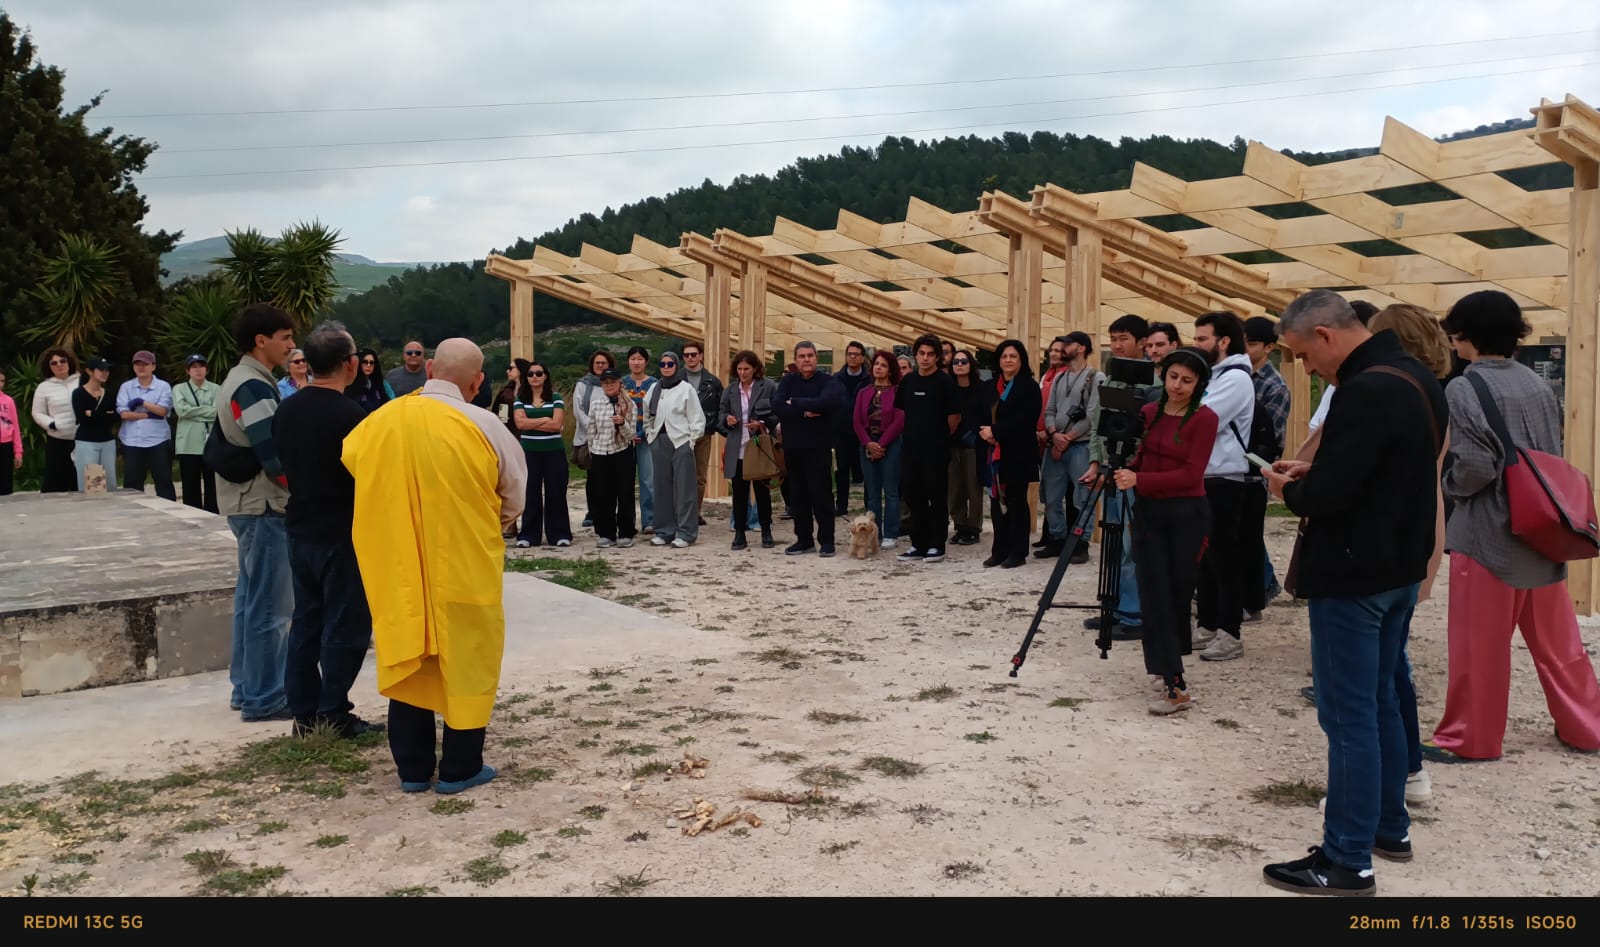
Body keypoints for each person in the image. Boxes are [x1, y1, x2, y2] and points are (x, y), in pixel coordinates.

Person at [1259, 289, 1447, 897]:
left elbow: (1331, 497)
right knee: (1385, 701)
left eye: (1303, 357)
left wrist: (1287, 489)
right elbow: (1384, 470)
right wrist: (1320, 470)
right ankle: (1389, 829)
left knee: (1349, 717)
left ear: (1325, 336)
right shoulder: (1417, 377)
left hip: (1354, 573)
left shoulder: (1364, 391)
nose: (1307, 371)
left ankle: (1345, 859)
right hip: (1397, 570)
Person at [1423, 290, 1600, 763]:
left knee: (1479, 648)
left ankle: (1470, 739)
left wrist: (1450, 485)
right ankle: (1587, 728)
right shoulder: (1535, 383)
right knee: (1560, 645)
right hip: (1544, 529)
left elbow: (1477, 465)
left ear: (1465, 333)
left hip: (1488, 536)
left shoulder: (1463, 387)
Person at [343, 338, 526, 795]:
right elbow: (514, 496)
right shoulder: (483, 423)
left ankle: (412, 768)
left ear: (427, 372)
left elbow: (352, 462)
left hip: (397, 561)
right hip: (463, 560)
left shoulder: (379, 422)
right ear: (477, 381)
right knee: (468, 656)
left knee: (408, 648)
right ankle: (461, 767)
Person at [273, 321, 384, 739]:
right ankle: (333, 710)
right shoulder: (351, 416)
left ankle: (304, 713)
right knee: (346, 623)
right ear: (350, 364)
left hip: (299, 526)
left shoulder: (287, 408)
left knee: (307, 621)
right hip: (341, 530)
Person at [1115, 348, 1218, 714]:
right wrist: (1120, 466)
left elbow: (1192, 474)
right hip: (1149, 510)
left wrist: (1138, 478)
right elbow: (1140, 457)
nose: (1177, 386)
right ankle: (1163, 667)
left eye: (1187, 381)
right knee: (1151, 589)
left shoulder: (1205, 419)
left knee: (1173, 592)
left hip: (1186, 514)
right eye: (1173, 377)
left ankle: (1176, 682)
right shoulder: (1149, 412)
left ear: (1199, 384)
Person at [217, 303, 299, 723]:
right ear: (260, 341)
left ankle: (246, 687)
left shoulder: (246, 379)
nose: (291, 345)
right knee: (272, 607)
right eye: (285, 337)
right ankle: (266, 697)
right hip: (264, 505)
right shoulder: (252, 386)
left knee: (251, 601)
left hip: (248, 504)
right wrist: (301, 494)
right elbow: (274, 455)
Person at [1080, 315, 1155, 641]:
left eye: (1123, 337)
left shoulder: (1157, 384)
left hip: (1135, 473)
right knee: (1110, 543)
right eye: (1113, 338)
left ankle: (1133, 612)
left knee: (1129, 545)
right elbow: (1098, 424)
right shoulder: (1110, 382)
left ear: (1141, 342)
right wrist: (1097, 462)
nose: (1117, 345)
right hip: (1110, 469)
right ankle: (1111, 606)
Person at [1191, 311, 1255, 662]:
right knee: (1204, 557)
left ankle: (1230, 632)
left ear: (1223, 341)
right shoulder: (1216, 376)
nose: (1197, 345)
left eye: (1202, 339)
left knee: (1224, 558)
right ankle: (1208, 623)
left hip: (1224, 477)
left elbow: (1203, 421)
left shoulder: (1236, 378)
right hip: (1205, 475)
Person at [774, 341, 847, 557]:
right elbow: (778, 407)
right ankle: (803, 539)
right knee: (798, 495)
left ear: (816, 358)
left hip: (818, 446)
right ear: (796, 360)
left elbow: (827, 403)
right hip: (793, 447)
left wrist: (794, 402)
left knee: (821, 494)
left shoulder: (828, 381)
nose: (806, 360)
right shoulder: (787, 381)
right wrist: (805, 412)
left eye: (810, 356)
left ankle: (827, 541)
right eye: (802, 356)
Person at [1242, 317, 1291, 620]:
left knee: (1248, 535)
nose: (1244, 349)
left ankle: (1254, 598)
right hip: (1234, 468)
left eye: (1251, 344)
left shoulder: (1274, 387)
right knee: (1243, 536)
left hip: (1256, 469)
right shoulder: (1236, 376)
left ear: (1269, 347)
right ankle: (1262, 584)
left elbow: (1267, 435)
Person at [896, 334, 960, 563]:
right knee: (914, 495)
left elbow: (954, 418)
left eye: (930, 354)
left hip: (936, 449)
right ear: (915, 355)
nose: (925, 358)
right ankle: (918, 543)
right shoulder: (909, 381)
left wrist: (938, 438)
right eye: (921, 353)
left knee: (936, 496)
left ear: (937, 357)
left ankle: (937, 544)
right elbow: (902, 411)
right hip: (911, 449)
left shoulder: (944, 382)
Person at [979, 339, 1042, 568]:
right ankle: (999, 550)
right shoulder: (989, 386)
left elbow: (1027, 420)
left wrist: (995, 431)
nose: (1008, 360)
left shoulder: (1029, 386)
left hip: (1018, 454)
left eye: (1013, 356)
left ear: (1021, 360)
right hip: (993, 452)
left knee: (1016, 503)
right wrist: (986, 433)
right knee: (996, 503)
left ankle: (1018, 552)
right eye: (1004, 356)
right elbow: (979, 414)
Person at [1038, 331, 1101, 562]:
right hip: (1057, 444)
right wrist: (1055, 435)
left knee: (1082, 497)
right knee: (1052, 497)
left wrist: (1067, 438)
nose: (1063, 348)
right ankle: (1057, 539)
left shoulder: (1096, 377)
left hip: (1080, 446)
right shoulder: (1059, 378)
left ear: (1082, 347)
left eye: (1068, 344)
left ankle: (1080, 543)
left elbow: (1093, 416)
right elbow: (1050, 410)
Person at [717, 350, 779, 550]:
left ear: (755, 369)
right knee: (739, 493)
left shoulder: (768, 386)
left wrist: (762, 423)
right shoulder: (730, 390)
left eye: (747, 369)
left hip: (759, 445)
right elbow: (721, 414)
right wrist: (727, 420)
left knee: (762, 491)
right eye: (740, 369)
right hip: (737, 445)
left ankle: (766, 531)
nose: (743, 373)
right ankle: (740, 533)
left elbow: (777, 413)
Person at [645, 352, 705, 548]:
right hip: (659, 440)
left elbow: (697, 418)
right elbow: (647, 414)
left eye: (670, 363)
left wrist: (691, 441)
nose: (666, 366)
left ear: (676, 365)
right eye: (662, 363)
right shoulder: (654, 388)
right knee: (661, 487)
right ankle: (664, 530)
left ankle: (686, 532)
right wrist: (650, 435)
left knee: (685, 488)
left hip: (681, 441)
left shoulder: (686, 389)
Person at [514, 360, 572, 548]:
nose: (535, 377)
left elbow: (556, 425)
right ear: (526, 378)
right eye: (530, 374)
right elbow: (520, 424)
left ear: (545, 375)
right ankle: (529, 535)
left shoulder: (556, 397)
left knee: (556, 492)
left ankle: (559, 534)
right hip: (529, 452)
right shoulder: (520, 399)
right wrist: (544, 419)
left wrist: (533, 421)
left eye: (539, 373)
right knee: (531, 492)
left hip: (553, 451)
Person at [853, 350, 905, 549]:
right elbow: (857, 421)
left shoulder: (898, 392)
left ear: (890, 369)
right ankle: (874, 532)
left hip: (890, 445)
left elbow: (899, 420)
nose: (878, 368)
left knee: (890, 491)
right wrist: (869, 443)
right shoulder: (863, 392)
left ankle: (891, 533)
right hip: (867, 444)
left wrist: (881, 444)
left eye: (883, 365)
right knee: (872, 493)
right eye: (876, 364)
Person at [585, 368, 637, 548]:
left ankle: (626, 532)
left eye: (612, 382)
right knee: (602, 494)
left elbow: (631, 435)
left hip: (622, 451)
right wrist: (593, 450)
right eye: (605, 383)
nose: (609, 385)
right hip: (600, 453)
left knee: (624, 494)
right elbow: (591, 429)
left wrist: (622, 423)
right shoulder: (596, 404)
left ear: (619, 383)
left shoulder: (629, 405)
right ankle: (605, 533)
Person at [116, 350, 176, 501]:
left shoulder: (163, 386)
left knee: (164, 481)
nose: (141, 367)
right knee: (132, 484)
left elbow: (162, 411)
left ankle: (170, 514)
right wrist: (149, 414)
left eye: (145, 364)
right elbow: (124, 414)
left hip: (158, 440)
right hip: (132, 441)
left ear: (153, 366)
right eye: (137, 364)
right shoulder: (126, 387)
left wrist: (141, 402)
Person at [680, 342, 723, 526]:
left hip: (704, 434)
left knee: (699, 475)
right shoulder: (675, 378)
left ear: (701, 356)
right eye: (686, 355)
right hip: (680, 434)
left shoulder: (713, 382)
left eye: (693, 354)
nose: (690, 358)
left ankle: (695, 512)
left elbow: (721, 406)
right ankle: (680, 511)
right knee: (680, 475)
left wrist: (715, 426)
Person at [571, 350, 615, 530]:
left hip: (610, 437)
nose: (600, 366)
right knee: (593, 477)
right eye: (597, 363)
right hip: (588, 437)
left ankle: (608, 511)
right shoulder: (583, 384)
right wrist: (592, 427)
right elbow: (578, 409)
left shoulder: (615, 383)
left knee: (609, 477)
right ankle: (592, 512)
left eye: (603, 363)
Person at [173, 354, 220, 513]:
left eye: (201, 366)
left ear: (206, 369)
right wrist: (206, 410)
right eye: (194, 366)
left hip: (211, 443)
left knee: (212, 484)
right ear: (188, 370)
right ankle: (192, 515)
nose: (198, 370)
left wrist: (194, 411)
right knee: (190, 484)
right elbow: (182, 411)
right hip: (188, 443)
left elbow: (217, 412)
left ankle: (213, 513)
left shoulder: (216, 388)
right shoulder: (179, 389)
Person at [948, 349, 985, 545]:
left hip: (974, 444)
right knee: (954, 489)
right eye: (956, 361)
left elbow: (986, 415)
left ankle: (973, 528)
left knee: (973, 488)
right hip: (952, 445)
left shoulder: (980, 388)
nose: (960, 364)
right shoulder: (948, 388)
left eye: (963, 361)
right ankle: (959, 525)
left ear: (971, 364)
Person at [30, 347, 80, 492]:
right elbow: (37, 413)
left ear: (69, 362)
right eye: (54, 363)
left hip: (82, 439)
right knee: (55, 480)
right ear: (49, 367)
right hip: (57, 440)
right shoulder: (43, 387)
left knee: (81, 480)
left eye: (62, 361)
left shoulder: (83, 381)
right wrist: (51, 424)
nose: (59, 365)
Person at [832, 341, 870, 516]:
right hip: (841, 430)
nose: (853, 357)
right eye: (850, 354)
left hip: (865, 431)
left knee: (866, 469)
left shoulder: (869, 379)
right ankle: (841, 505)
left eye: (856, 354)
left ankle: (869, 504)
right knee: (842, 470)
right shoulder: (837, 379)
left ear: (862, 357)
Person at [622, 346, 657, 533]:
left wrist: (642, 433)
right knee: (625, 482)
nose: (636, 362)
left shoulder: (654, 384)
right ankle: (627, 522)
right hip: (624, 439)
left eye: (640, 359)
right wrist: (627, 432)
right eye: (633, 358)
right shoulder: (621, 383)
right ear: (628, 361)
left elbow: (656, 412)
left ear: (646, 362)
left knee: (647, 481)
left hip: (647, 438)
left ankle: (649, 520)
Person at [71, 358, 120, 491]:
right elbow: (83, 419)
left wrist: (93, 413)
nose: (105, 373)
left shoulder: (109, 394)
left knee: (109, 484)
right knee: (91, 485)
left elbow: (115, 416)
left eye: (106, 370)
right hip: (87, 441)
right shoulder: (79, 394)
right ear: (89, 371)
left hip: (107, 441)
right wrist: (105, 414)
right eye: (101, 370)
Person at [347, 349, 395, 413]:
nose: (368, 365)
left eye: (372, 363)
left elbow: (393, 402)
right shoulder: (349, 383)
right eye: (365, 362)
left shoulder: (382, 383)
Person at [0, 368, 19, 496]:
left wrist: (18, 452)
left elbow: (15, 427)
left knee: (5, 485)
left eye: (2, 381)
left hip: (6, 445)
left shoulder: (8, 401)